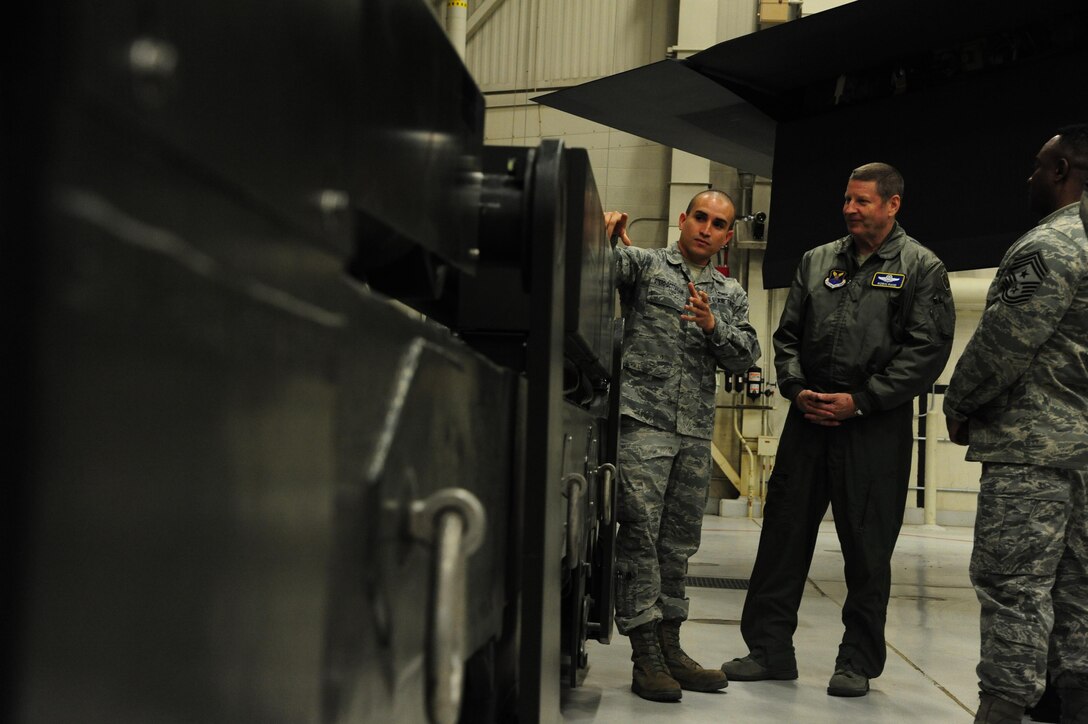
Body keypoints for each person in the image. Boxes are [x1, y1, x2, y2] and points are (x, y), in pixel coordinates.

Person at [721, 163, 955, 697]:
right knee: (782, 538)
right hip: (808, 421)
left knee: (868, 550)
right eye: (847, 199)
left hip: (874, 428)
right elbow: (787, 335)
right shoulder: (817, 260)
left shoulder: (921, 268)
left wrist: (863, 401)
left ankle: (856, 663)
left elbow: (926, 352)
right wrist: (795, 387)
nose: (849, 209)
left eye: (862, 201)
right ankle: (769, 651)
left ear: (892, 205)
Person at [943, 124, 1088, 724]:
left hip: (1033, 451)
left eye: (1038, 165)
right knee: (1079, 591)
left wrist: (959, 404)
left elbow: (1003, 344)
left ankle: (1001, 709)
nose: (1031, 176)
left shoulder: (1052, 244)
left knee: (1013, 586)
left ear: (1062, 171)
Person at [603, 189, 760, 703]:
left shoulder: (729, 292)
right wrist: (602, 232)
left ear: (727, 236)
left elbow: (746, 355)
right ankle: (645, 655)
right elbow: (598, 268)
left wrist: (714, 327)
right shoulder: (647, 265)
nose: (706, 229)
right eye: (700, 218)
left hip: (693, 431)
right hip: (642, 424)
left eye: (718, 224)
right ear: (682, 219)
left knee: (678, 544)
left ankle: (670, 647)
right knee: (640, 537)